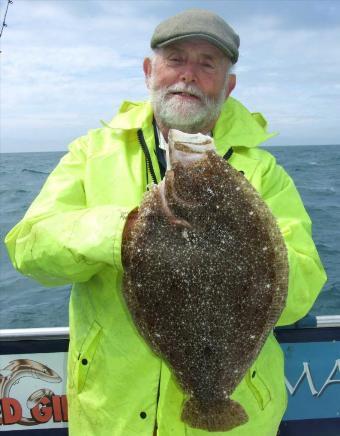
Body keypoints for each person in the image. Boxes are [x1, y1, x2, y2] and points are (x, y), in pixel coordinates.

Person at [5, 8, 326, 436]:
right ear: (148, 71)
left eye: (207, 64)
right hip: (112, 416)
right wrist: (122, 232)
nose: (188, 75)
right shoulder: (90, 152)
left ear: (228, 85)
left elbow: (302, 292)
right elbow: (29, 249)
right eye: (175, 59)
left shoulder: (264, 172)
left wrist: (233, 254)